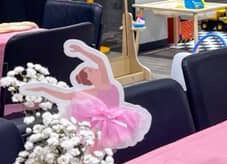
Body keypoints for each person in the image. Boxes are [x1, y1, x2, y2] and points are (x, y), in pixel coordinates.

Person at [23, 39, 152, 151]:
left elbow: (100, 60)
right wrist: (42, 88)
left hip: (114, 123)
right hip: (99, 128)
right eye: (90, 70)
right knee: (95, 150)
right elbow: (62, 94)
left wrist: (82, 50)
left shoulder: (106, 84)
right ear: (88, 77)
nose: (95, 69)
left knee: (104, 150)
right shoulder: (89, 91)